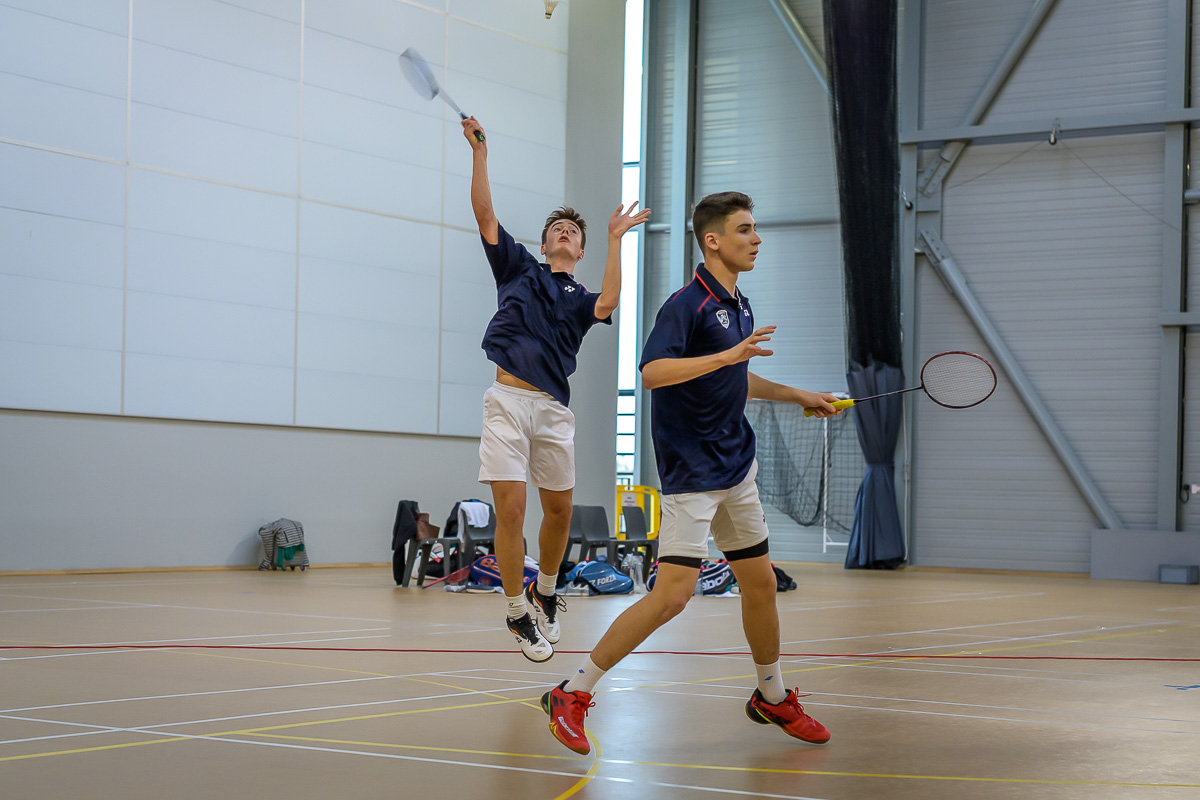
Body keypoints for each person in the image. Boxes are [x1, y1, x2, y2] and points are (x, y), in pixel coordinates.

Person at [541, 191, 842, 753]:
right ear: (713, 240)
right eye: (745, 229)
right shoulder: (687, 305)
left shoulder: (740, 305)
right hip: (693, 473)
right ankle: (571, 692)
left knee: (761, 584)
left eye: (754, 228)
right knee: (672, 597)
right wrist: (728, 356)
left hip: (736, 467)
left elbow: (734, 378)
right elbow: (654, 372)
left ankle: (772, 696)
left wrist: (797, 394)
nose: (756, 239)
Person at [462, 116, 651, 662]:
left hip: (552, 410)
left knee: (560, 512)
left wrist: (615, 239)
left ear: (581, 250)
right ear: (544, 244)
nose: (565, 233)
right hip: (507, 402)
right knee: (512, 510)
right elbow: (485, 214)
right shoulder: (518, 268)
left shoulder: (581, 298)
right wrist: (480, 153)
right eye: (558, 229)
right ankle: (516, 610)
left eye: (574, 231)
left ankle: (544, 593)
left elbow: (609, 302)